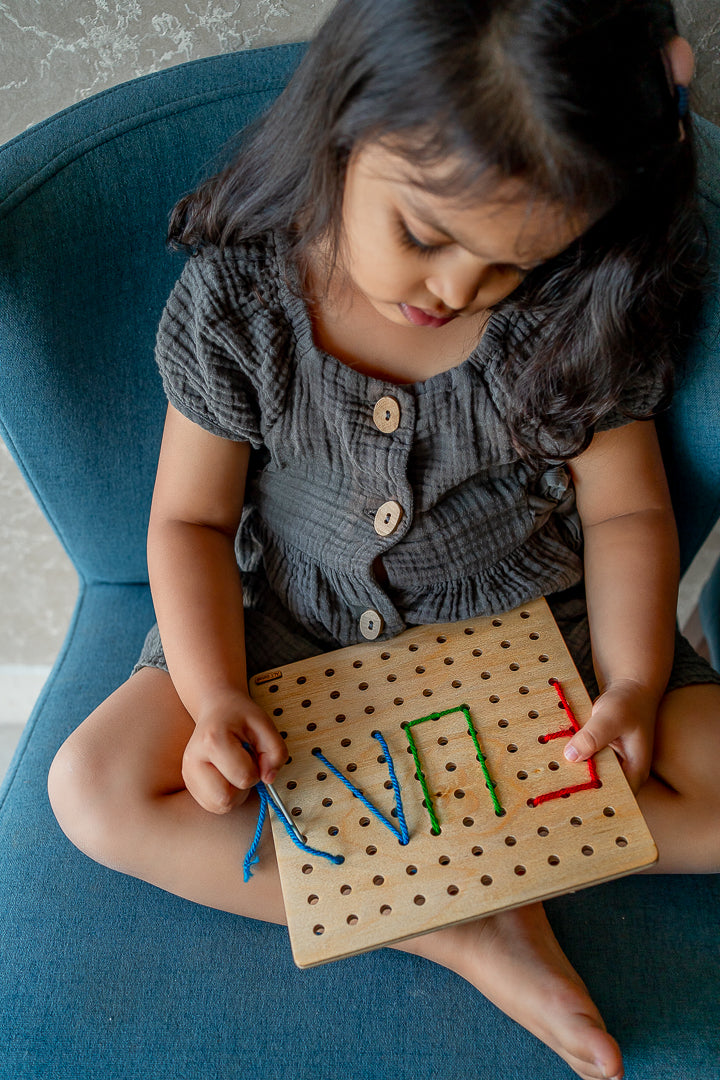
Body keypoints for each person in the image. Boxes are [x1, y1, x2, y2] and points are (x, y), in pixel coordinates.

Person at [48, 2, 720, 1077]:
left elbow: (629, 511)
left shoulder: (576, 308)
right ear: (344, 130)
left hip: (536, 654)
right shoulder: (239, 300)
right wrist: (218, 696)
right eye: (425, 234)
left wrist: (633, 685)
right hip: (291, 637)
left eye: (513, 264)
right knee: (91, 788)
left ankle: (481, 862)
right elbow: (190, 520)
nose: (458, 289)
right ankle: (447, 923)